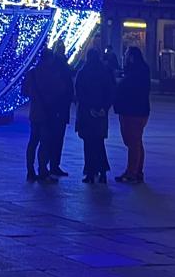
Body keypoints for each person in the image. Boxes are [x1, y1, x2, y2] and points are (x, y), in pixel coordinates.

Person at [75, 50, 114, 183]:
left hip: (87, 114)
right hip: (101, 115)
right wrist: (104, 108)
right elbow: (110, 92)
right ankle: (102, 172)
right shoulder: (105, 72)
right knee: (99, 143)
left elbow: (79, 94)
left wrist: (89, 108)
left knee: (89, 144)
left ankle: (90, 172)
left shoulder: (83, 72)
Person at [114, 47, 151, 184]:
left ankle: (132, 172)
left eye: (126, 54)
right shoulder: (141, 70)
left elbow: (129, 89)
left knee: (133, 142)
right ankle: (137, 171)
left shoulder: (135, 73)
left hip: (132, 111)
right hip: (138, 110)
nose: (124, 57)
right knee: (136, 141)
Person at [45, 44, 73, 177]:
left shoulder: (54, 66)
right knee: (57, 138)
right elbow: (67, 87)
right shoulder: (62, 66)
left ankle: (49, 165)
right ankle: (53, 165)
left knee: (50, 137)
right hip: (60, 107)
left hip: (53, 108)